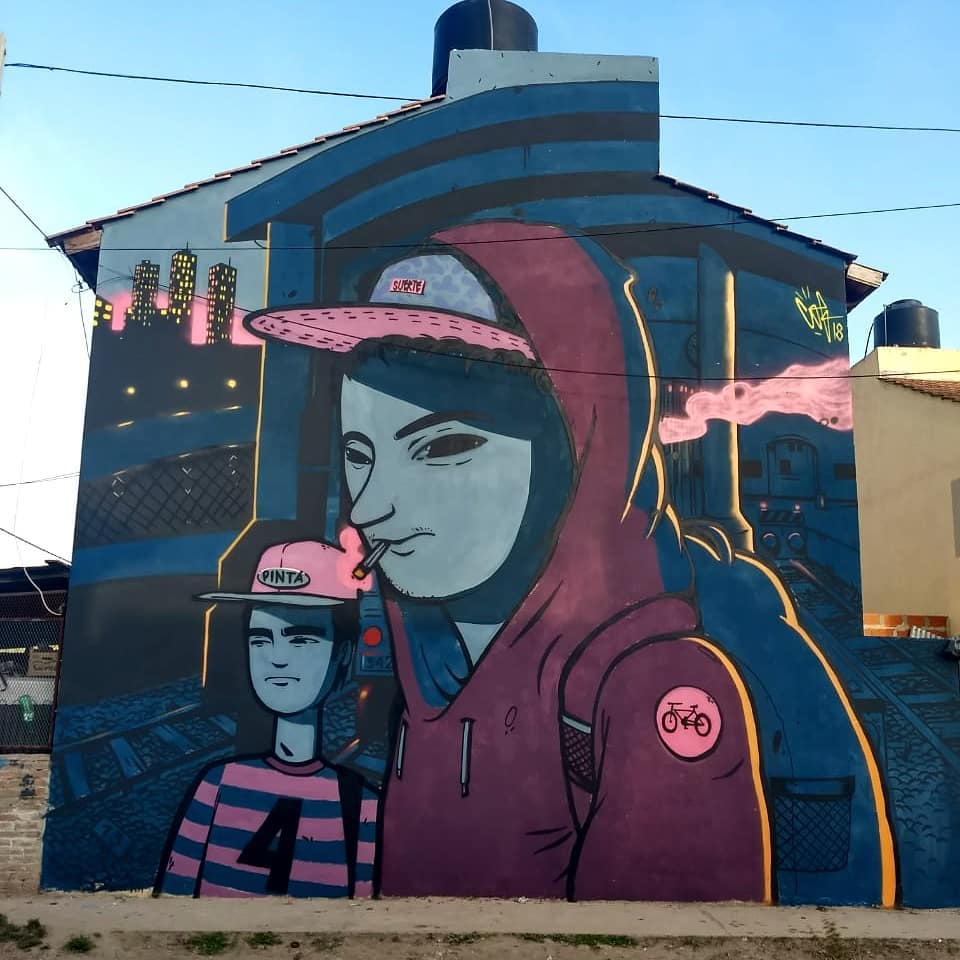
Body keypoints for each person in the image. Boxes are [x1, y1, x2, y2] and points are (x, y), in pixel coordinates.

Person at [243, 220, 893, 904]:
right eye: (359, 455)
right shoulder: (433, 660)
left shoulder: (647, 688)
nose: (370, 506)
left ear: (578, 450)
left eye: (441, 448)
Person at [156, 539, 378, 898]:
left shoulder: (362, 807)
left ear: (343, 652)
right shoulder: (215, 786)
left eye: (301, 639)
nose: (276, 658)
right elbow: (174, 897)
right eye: (260, 639)